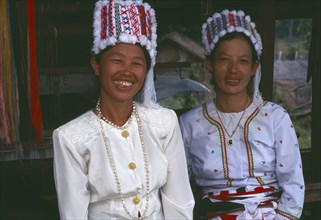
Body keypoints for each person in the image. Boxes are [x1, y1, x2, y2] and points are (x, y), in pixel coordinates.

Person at [52, 0, 195, 219]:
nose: (127, 72)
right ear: (96, 64)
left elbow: (180, 203)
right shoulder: (71, 138)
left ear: (147, 70)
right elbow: (73, 215)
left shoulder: (164, 123)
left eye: (137, 63)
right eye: (117, 60)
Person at [179, 9, 305, 220]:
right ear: (209, 64)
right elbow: (179, 187)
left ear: (254, 67)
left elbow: (293, 183)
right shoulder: (189, 124)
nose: (233, 70)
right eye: (224, 60)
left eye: (243, 61)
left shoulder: (275, 118)